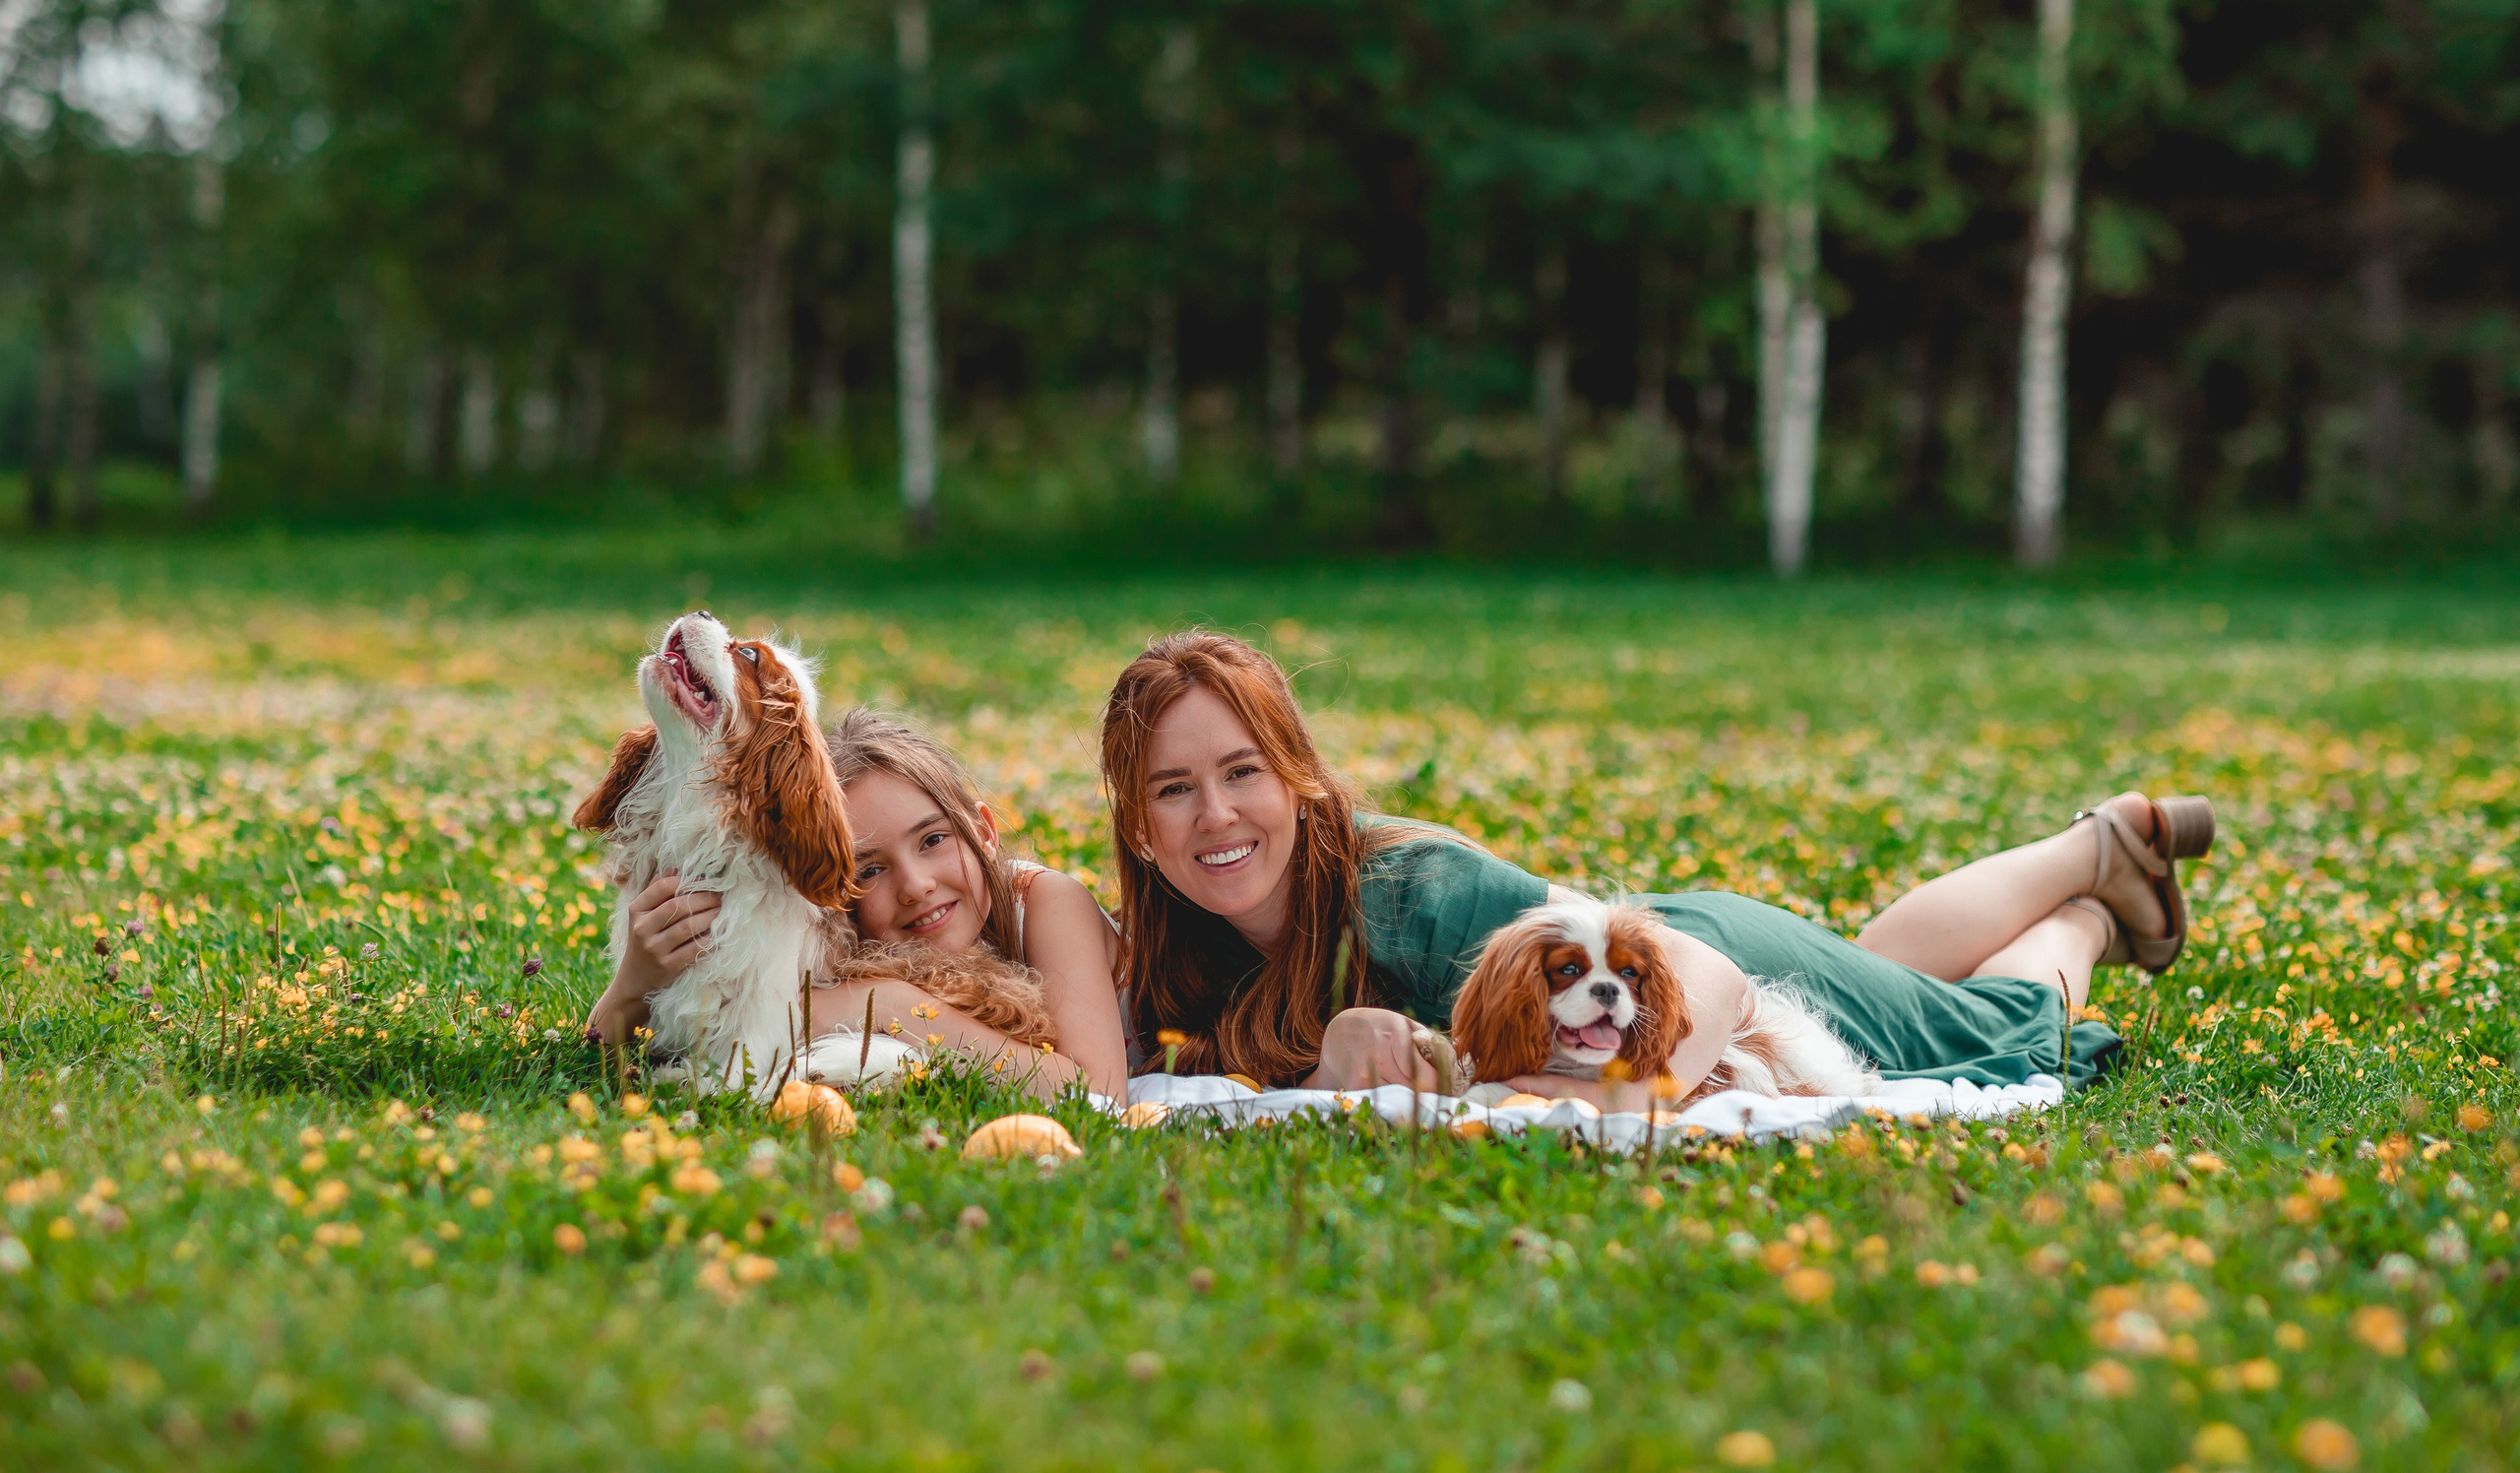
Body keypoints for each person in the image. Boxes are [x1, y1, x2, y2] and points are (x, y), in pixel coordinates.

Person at [1102, 630, 2210, 1108]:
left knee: (1980, 1028)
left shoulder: (1409, 892)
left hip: (1703, 976)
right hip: (1689, 952)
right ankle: (2102, 856)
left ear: (1299, 778)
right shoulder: (1180, 949)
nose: (1215, 816)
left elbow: (1714, 994)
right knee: (1881, 971)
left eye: (1242, 772)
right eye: (1173, 789)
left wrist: (1619, 1101)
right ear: (1138, 828)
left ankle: (2089, 901)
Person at [588, 709, 1130, 1100]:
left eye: (933, 840)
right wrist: (638, 980)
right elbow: (607, 1049)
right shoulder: (853, 945)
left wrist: (893, 1009)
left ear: (984, 832)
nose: (916, 885)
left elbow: (1098, 1094)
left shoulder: (1046, 903)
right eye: (869, 869)